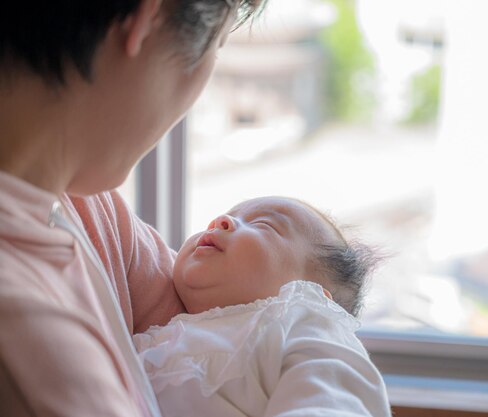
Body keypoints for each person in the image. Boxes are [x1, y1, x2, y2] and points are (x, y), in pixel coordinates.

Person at [0, 1, 264, 416]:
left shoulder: (86, 206)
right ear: (149, 18)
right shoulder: (35, 355)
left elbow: (212, 322)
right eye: (219, 43)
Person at [133, 196, 391, 417]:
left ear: (314, 296)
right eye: (227, 216)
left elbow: (333, 402)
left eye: (263, 225)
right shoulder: (158, 333)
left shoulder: (302, 322)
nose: (220, 220)